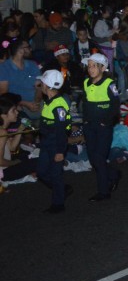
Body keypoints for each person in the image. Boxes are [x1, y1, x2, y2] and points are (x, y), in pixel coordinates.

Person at [82, 53, 123, 201]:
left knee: (99, 158)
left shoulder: (109, 84)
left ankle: (104, 192)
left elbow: (115, 105)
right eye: (89, 66)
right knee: (93, 158)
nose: (90, 69)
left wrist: (106, 122)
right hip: (90, 126)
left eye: (94, 66)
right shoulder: (86, 82)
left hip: (103, 127)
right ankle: (113, 174)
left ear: (102, 67)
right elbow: (86, 103)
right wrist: (85, 121)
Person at [36, 70, 73, 212]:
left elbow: (61, 131)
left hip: (55, 144)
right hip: (46, 142)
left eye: (42, 83)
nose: (40, 85)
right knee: (41, 171)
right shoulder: (49, 101)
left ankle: (58, 204)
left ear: (46, 86)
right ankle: (62, 190)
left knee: (55, 174)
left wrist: (59, 151)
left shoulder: (58, 105)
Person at [0, 38, 42, 125]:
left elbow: (39, 87)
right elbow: (4, 94)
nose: (30, 49)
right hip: (17, 105)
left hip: (36, 102)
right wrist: (25, 104)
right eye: (27, 47)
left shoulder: (32, 65)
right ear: (20, 50)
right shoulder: (4, 68)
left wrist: (36, 102)